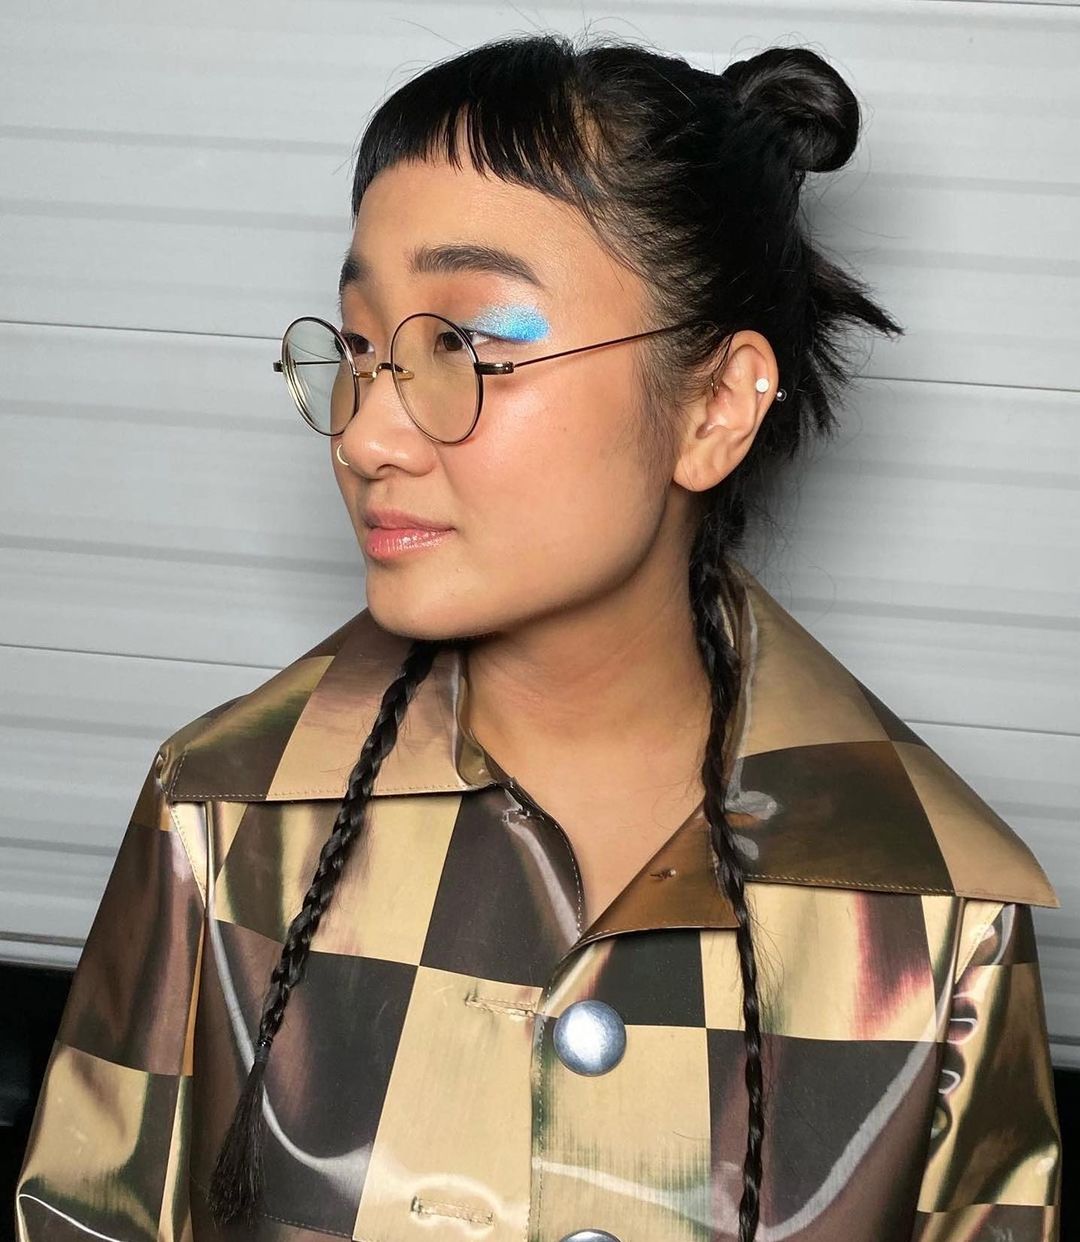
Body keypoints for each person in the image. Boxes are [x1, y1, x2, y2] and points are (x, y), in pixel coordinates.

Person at [15, 30, 1061, 1242]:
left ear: (715, 406)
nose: (364, 436)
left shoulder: (936, 907)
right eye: (359, 349)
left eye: (467, 346)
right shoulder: (222, 820)